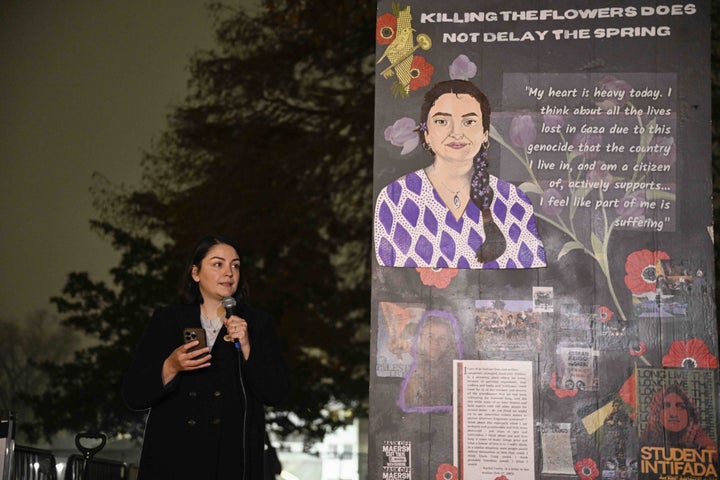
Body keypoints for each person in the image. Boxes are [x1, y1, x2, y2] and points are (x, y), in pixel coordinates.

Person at [122, 235, 290, 480]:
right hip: (174, 461)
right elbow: (133, 394)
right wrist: (171, 366)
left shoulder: (257, 324)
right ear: (195, 273)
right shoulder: (167, 320)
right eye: (218, 264)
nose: (229, 273)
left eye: (235, 265)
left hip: (232, 462)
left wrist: (246, 346)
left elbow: (277, 392)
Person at [374, 79, 546, 269]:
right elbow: (388, 278)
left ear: (485, 135)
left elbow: (529, 274)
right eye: (441, 121)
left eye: (469, 121)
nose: (456, 133)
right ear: (427, 134)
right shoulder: (395, 198)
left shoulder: (514, 200)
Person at [640, 383, 717, 456]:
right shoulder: (644, 444)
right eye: (666, 406)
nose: (673, 414)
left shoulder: (704, 444)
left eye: (681, 407)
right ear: (656, 414)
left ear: (689, 415)